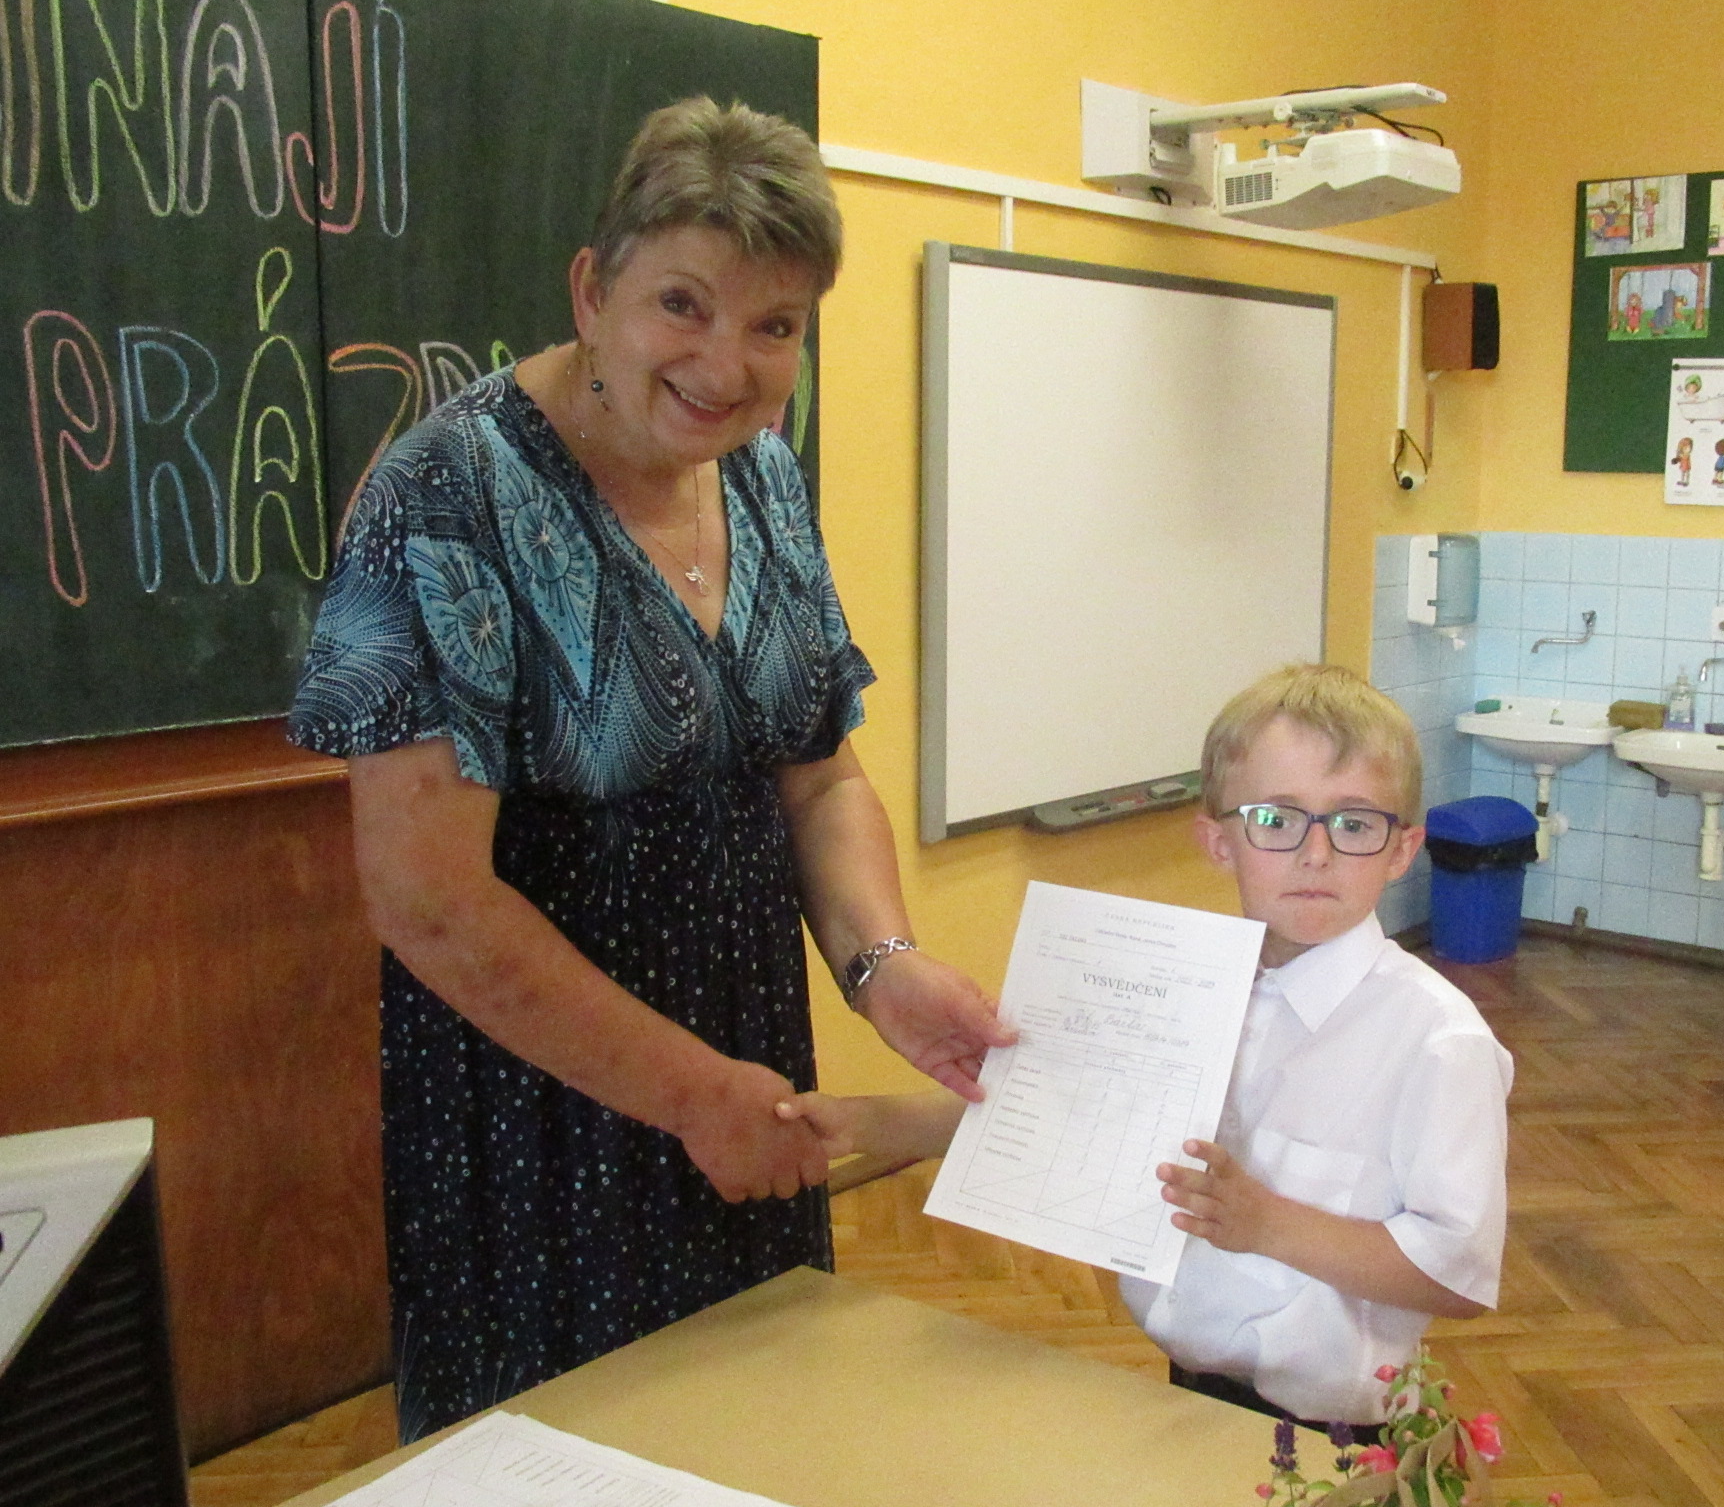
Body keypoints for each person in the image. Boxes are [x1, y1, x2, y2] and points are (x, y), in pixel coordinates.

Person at [288, 97, 1008, 1440]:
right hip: (541, 1120)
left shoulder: (763, 479)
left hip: (753, 1090)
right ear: (592, 290)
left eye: (775, 325)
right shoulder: (445, 500)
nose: (726, 365)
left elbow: (817, 774)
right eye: (683, 304)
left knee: (762, 1431)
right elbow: (429, 900)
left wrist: (882, 965)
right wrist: (687, 1096)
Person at [780, 665, 1512, 1432]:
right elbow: (1063, 1116)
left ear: (1403, 850)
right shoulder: (1181, 984)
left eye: (1355, 824)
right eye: (1276, 819)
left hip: (1338, 1434)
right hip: (1186, 1390)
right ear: (1218, 842)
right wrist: (868, 1125)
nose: (1317, 853)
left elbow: (1456, 1276)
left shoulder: (1438, 1040)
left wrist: (1268, 1225)